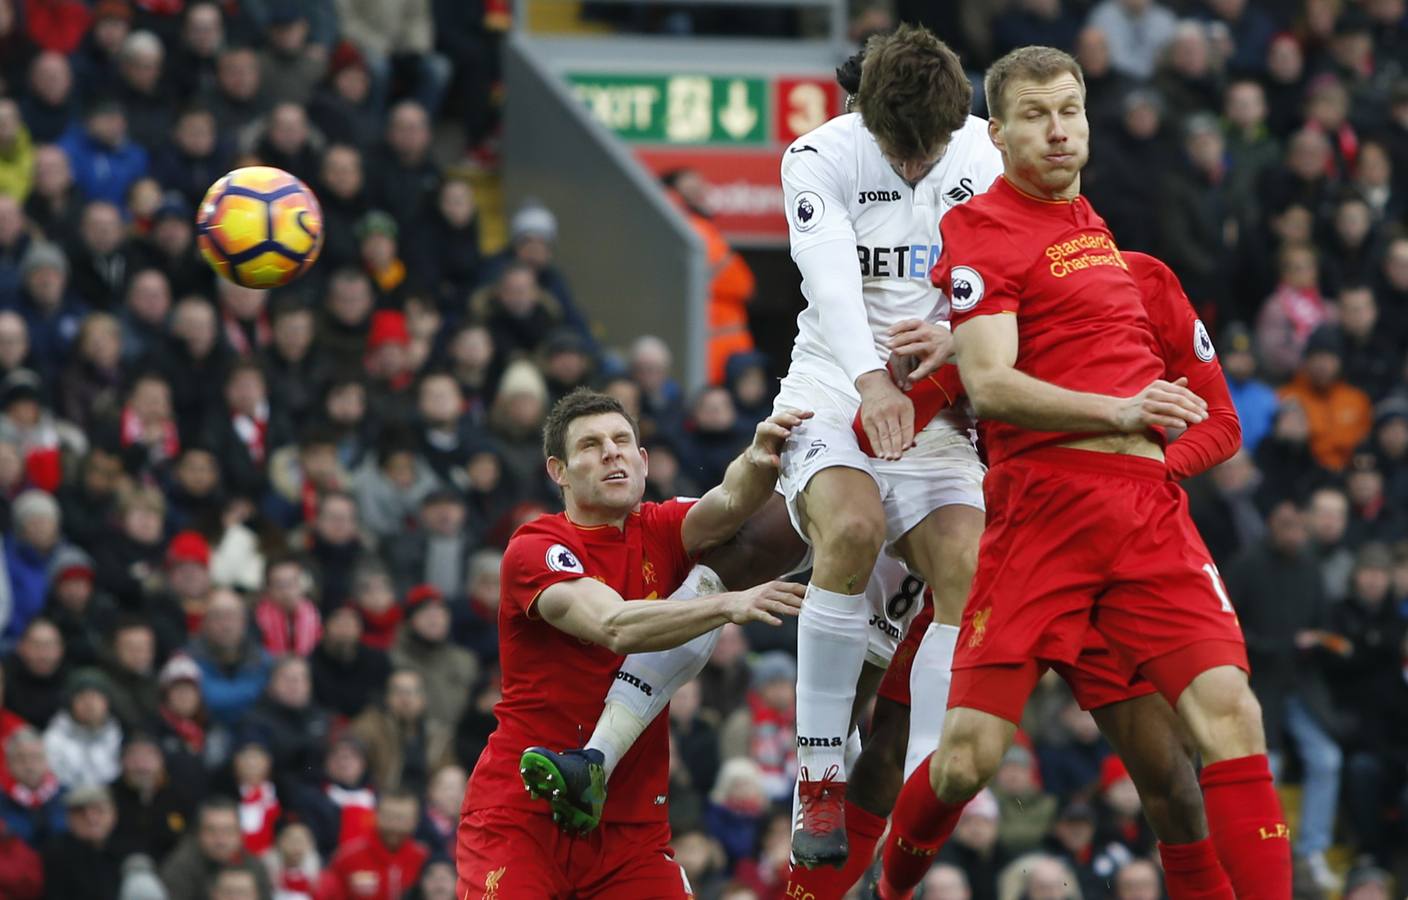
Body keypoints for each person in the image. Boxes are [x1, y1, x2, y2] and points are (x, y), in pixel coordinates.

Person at [877, 46, 1288, 900]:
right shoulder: (983, 230)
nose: (1059, 130)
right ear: (996, 133)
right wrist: (1120, 416)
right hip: (1040, 525)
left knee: (1227, 723)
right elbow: (986, 386)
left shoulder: (1127, 263)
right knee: (964, 765)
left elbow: (1219, 420)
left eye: (1070, 110)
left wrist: (1150, 457)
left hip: (1145, 521)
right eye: (1035, 114)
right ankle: (889, 886)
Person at [456, 389, 808, 898]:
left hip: (632, 830)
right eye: (591, 445)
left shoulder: (662, 527)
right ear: (559, 470)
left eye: (622, 441)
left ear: (643, 460)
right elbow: (613, 625)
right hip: (525, 812)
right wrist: (724, 605)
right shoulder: (536, 547)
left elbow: (730, 501)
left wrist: (758, 456)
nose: (611, 452)